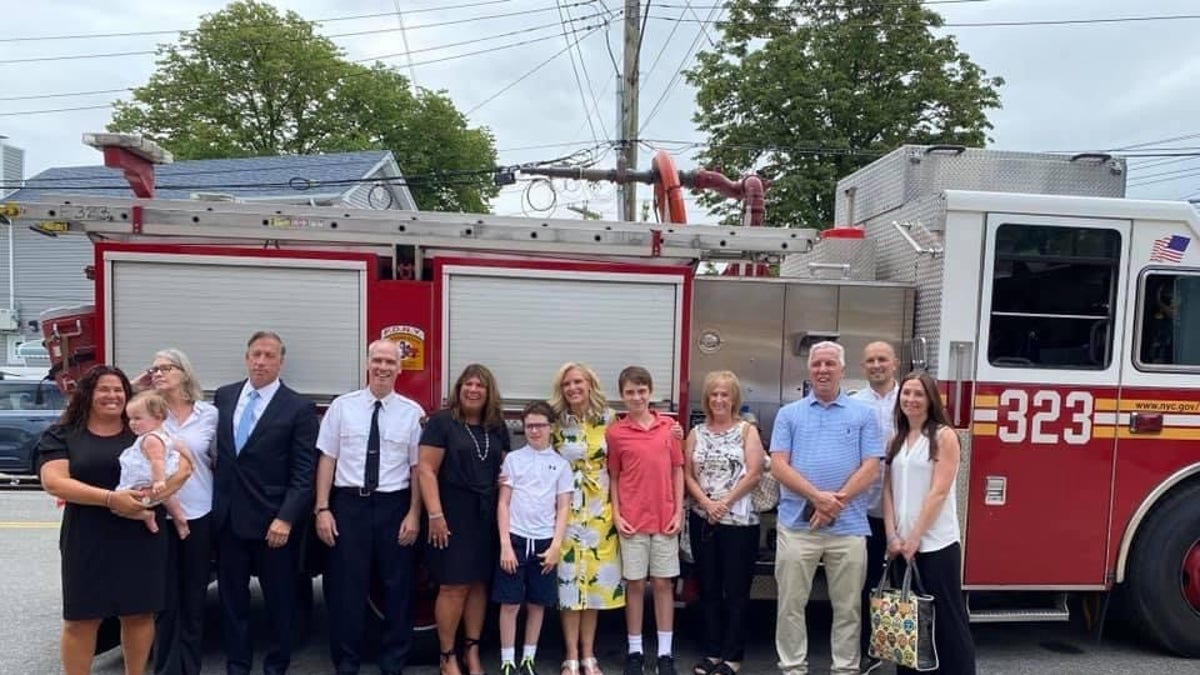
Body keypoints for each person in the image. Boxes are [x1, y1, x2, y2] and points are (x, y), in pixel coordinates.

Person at [37, 365, 193, 675]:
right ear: (88, 395)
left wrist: (142, 503)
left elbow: (184, 470)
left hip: (141, 535)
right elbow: (54, 482)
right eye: (103, 389)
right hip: (87, 536)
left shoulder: (140, 429)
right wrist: (111, 499)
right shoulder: (64, 433)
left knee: (139, 614)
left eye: (118, 389)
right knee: (82, 618)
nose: (112, 395)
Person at [769, 341, 882, 675]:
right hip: (796, 526)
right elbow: (778, 465)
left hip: (848, 528)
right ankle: (792, 668)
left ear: (842, 370)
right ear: (809, 369)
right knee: (790, 605)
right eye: (817, 364)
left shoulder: (864, 414)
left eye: (830, 364)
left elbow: (871, 466)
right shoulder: (789, 414)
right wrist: (818, 498)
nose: (823, 370)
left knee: (848, 608)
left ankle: (845, 669)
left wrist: (835, 503)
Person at [314, 340, 425, 675]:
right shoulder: (342, 408)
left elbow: (417, 469)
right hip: (349, 506)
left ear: (399, 368)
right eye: (377, 360)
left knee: (398, 589)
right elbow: (327, 459)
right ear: (367, 364)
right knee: (347, 589)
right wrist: (322, 508)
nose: (383, 367)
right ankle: (347, 662)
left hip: (395, 506)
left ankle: (393, 662)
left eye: (390, 362)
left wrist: (414, 514)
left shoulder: (412, 413)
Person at [212, 331, 319, 675]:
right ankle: (237, 664)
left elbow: (305, 473)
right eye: (256, 354)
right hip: (228, 520)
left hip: (274, 523)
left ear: (280, 362)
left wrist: (286, 518)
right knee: (233, 601)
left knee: (280, 601)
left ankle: (277, 664)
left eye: (269, 355)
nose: (261, 361)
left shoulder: (298, 407)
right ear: (246, 357)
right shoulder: (225, 397)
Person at [881, 371, 976, 674]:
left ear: (931, 399)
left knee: (947, 620)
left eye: (918, 394)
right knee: (907, 622)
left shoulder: (943, 436)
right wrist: (892, 536)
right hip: (901, 547)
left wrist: (915, 538)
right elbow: (888, 490)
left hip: (937, 545)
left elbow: (939, 492)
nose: (911, 399)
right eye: (906, 393)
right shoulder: (896, 438)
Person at [419, 363, 511, 675]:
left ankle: (472, 651)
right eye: (468, 384)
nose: (473, 390)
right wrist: (435, 514)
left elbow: (505, 472)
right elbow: (426, 470)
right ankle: (447, 657)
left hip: (485, 515)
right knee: (453, 586)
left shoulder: (496, 426)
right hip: (451, 513)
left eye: (480, 386)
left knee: (478, 585)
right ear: (459, 389)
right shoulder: (442, 422)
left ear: (489, 393)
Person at [141, 349, 219, 675]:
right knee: (164, 598)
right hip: (160, 515)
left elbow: (218, 459)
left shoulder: (209, 414)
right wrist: (139, 382)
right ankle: (166, 667)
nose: (158, 373)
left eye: (165, 368)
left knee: (193, 595)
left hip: (200, 512)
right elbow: (108, 400)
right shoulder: (150, 413)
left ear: (184, 373)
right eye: (154, 369)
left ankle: (191, 665)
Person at [683, 371, 763, 675]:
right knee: (709, 589)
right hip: (704, 519)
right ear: (707, 398)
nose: (718, 399)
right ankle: (713, 652)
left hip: (739, 523)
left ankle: (733, 656)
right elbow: (688, 474)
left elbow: (754, 473)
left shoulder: (746, 431)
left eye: (724, 394)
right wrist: (706, 504)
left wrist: (724, 503)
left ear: (734, 399)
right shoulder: (696, 432)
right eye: (714, 394)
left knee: (736, 591)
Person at [607, 366, 684, 675]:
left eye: (641, 391)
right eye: (630, 392)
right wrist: (616, 513)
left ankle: (665, 654)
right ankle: (635, 650)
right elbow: (614, 476)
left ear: (650, 393)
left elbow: (678, 470)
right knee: (636, 584)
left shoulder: (669, 428)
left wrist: (678, 511)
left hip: (665, 518)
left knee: (664, 584)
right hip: (632, 519)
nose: (636, 397)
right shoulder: (616, 432)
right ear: (622, 396)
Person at [549, 362, 624, 675]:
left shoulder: (608, 418)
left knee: (591, 585)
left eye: (578, 382)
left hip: (598, 510)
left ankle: (588, 655)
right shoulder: (555, 421)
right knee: (569, 584)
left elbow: (622, 460)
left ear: (590, 384)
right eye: (567, 384)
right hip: (565, 509)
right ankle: (569, 655)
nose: (573, 388)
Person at [493, 400, 572, 675]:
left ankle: (528, 658)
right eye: (529, 426)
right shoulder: (513, 460)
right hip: (515, 540)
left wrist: (555, 546)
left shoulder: (561, 465)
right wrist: (505, 545)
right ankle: (507, 659)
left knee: (537, 603)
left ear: (551, 428)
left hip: (544, 542)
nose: (534, 431)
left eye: (540, 425)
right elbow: (503, 503)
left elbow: (563, 507)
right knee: (511, 603)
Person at [849, 342, 899, 674]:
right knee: (866, 585)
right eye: (870, 360)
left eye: (882, 359)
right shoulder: (854, 404)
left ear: (895, 363)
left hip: (903, 510)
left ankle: (902, 650)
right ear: (863, 366)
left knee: (901, 584)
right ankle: (870, 651)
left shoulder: (910, 399)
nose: (877, 365)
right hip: (864, 511)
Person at [117, 390, 190, 538]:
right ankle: (180, 518)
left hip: (147, 478)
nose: (132, 423)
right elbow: (181, 447)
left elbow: (157, 461)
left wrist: (158, 481)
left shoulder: (150, 439)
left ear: (158, 418)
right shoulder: (165, 434)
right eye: (130, 418)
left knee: (118, 505)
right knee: (169, 498)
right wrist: (191, 461)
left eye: (138, 418)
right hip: (160, 477)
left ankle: (145, 516)